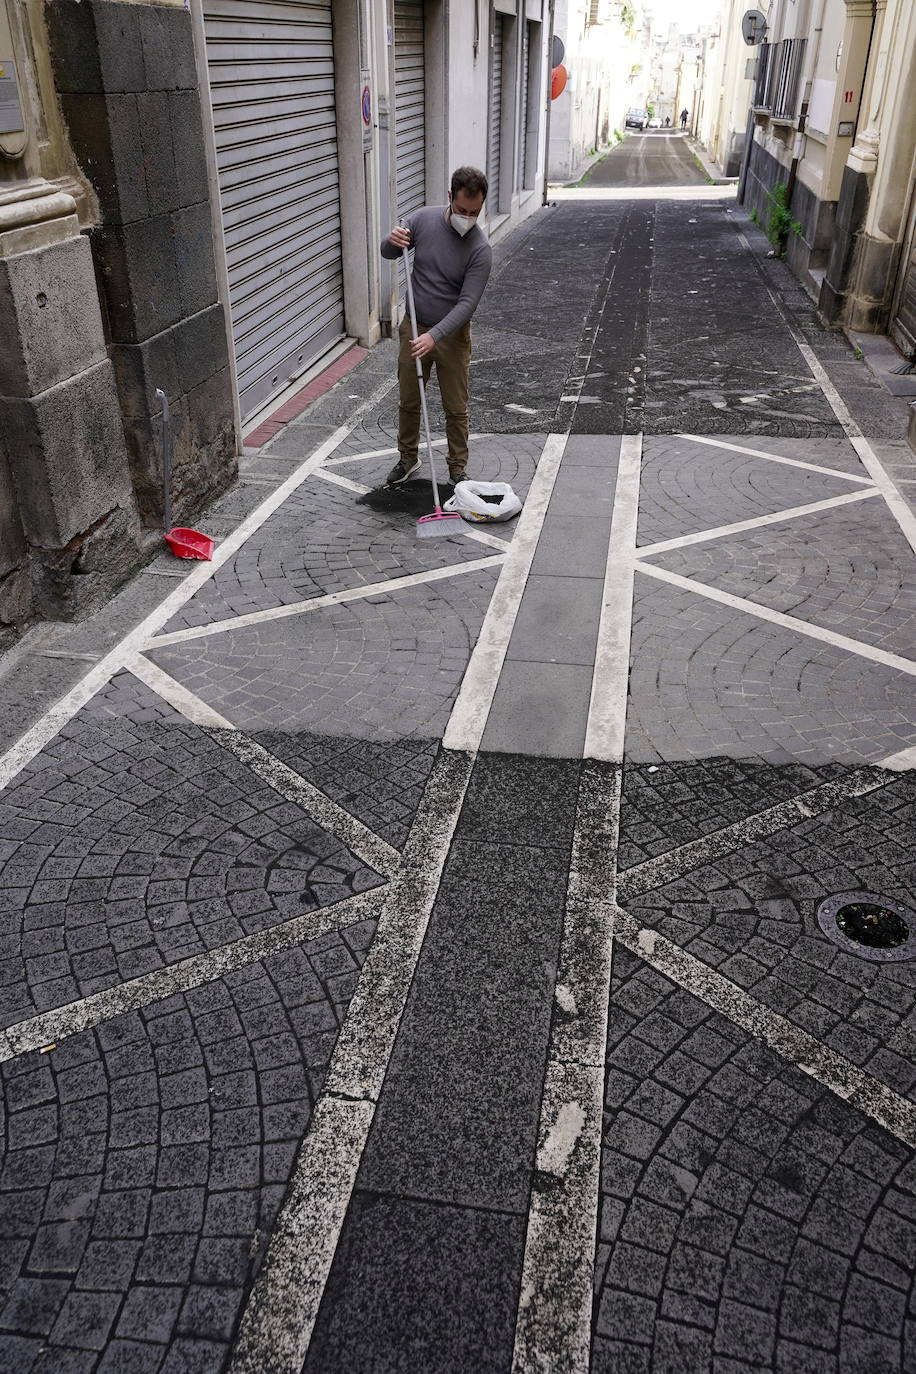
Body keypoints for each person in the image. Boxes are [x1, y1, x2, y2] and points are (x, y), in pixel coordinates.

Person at [380, 166, 493, 487]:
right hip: (414, 327)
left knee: (456, 407)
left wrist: (436, 336)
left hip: (452, 337)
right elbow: (389, 253)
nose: (467, 218)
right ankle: (407, 458)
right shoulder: (422, 220)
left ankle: (457, 467)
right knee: (409, 400)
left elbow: (467, 305)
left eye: (475, 212)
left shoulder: (481, 250)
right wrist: (391, 239)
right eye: (461, 210)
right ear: (450, 198)